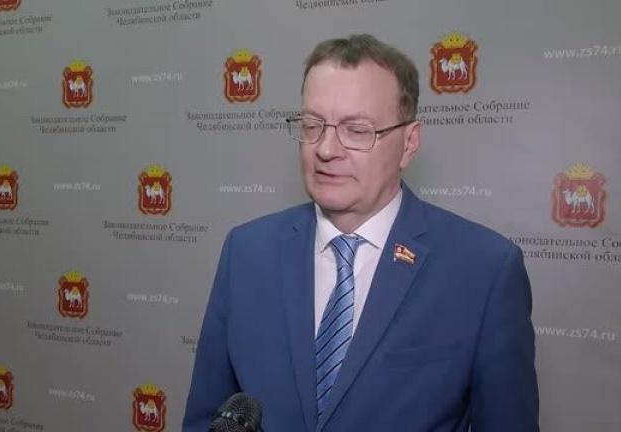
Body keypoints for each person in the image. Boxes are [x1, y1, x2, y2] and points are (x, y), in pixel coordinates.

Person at [182, 34, 539, 432]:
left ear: (409, 142)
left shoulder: (483, 270)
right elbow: (205, 418)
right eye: (312, 125)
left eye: (356, 130)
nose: (326, 149)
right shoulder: (246, 252)